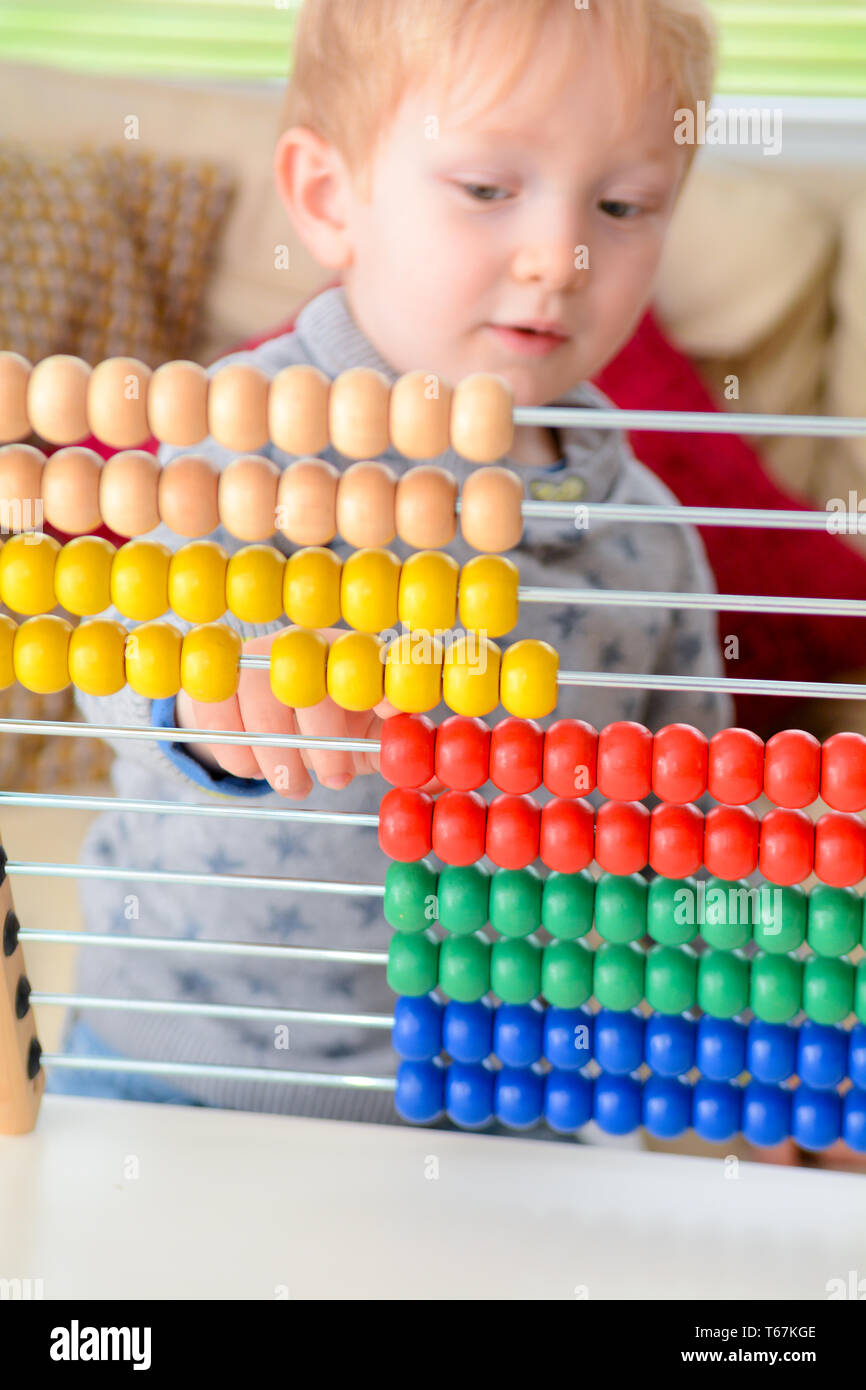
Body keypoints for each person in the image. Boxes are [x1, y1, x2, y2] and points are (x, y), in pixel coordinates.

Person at [50, 0, 733, 1133]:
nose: (556, 259)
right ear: (328, 198)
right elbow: (116, 671)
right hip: (176, 1080)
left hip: (502, 1108)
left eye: (621, 206)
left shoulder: (645, 536)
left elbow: (689, 827)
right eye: (485, 188)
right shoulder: (246, 441)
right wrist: (205, 690)